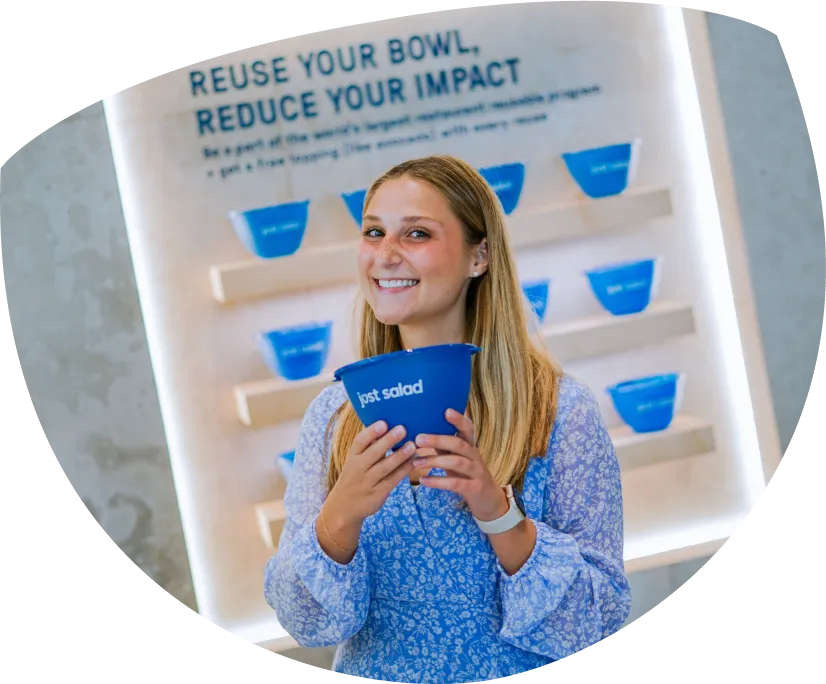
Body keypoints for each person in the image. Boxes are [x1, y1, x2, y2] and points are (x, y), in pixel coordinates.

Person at [264, 154, 632, 683]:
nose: (385, 255)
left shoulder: (559, 411)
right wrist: (337, 519)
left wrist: (497, 510)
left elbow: (592, 616)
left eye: (416, 233)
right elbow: (307, 624)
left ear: (479, 256)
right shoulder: (335, 416)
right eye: (373, 232)